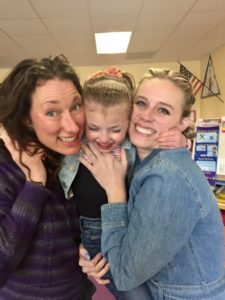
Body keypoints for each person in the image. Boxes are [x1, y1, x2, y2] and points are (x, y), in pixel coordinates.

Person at [79, 68, 225, 299]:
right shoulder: (144, 160)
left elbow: (125, 275)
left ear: (183, 121)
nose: (146, 116)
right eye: (141, 103)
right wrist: (89, 253)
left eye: (163, 110)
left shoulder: (167, 176)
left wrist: (115, 189)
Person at [59, 67, 188, 299]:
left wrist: (181, 139)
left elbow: (159, 139)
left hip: (132, 228)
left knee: (155, 287)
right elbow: (60, 200)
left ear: (128, 122)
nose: (105, 138)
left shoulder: (132, 146)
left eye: (116, 130)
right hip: (95, 234)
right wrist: (76, 244)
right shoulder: (73, 148)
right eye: (94, 128)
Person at [0, 55, 96, 299]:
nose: (73, 126)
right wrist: (34, 184)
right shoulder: (5, 167)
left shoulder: (73, 156)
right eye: (52, 112)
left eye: (76, 106)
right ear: (25, 118)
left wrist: (90, 250)